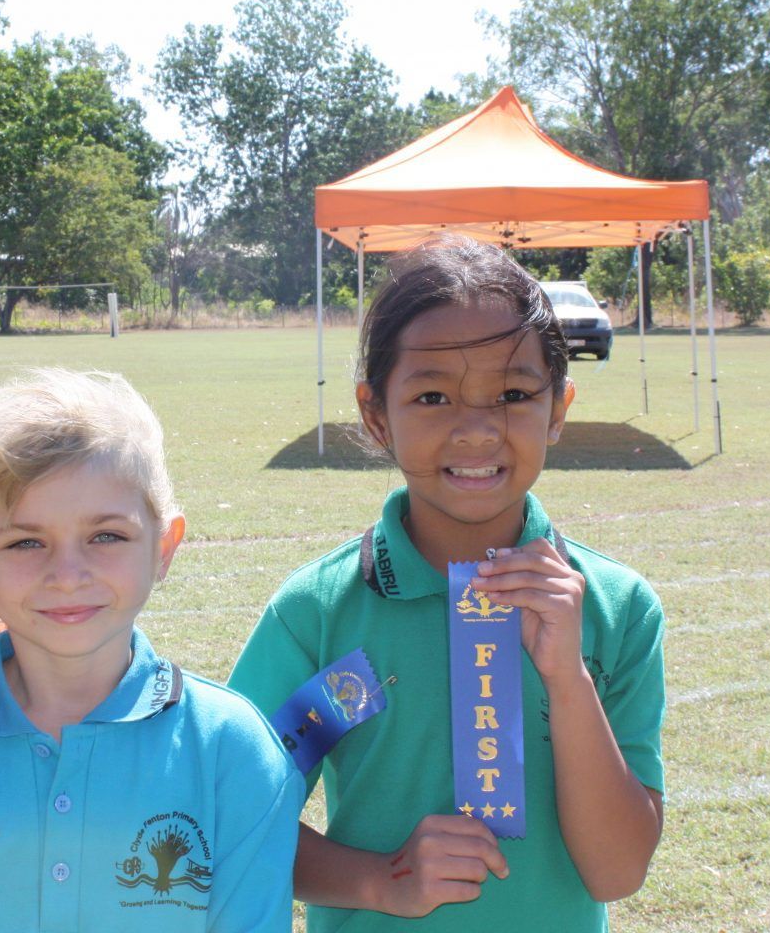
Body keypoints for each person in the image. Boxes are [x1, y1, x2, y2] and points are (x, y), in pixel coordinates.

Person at [229, 235, 665, 932]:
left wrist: (567, 677)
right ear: (377, 414)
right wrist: (381, 881)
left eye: (515, 394)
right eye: (432, 396)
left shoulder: (619, 609)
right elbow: (234, 822)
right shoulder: (317, 614)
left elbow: (617, 872)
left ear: (558, 407)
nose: (476, 430)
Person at [0, 369, 304, 932]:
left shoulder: (232, 750)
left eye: (106, 537)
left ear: (164, 547)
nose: (67, 575)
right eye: (26, 542)